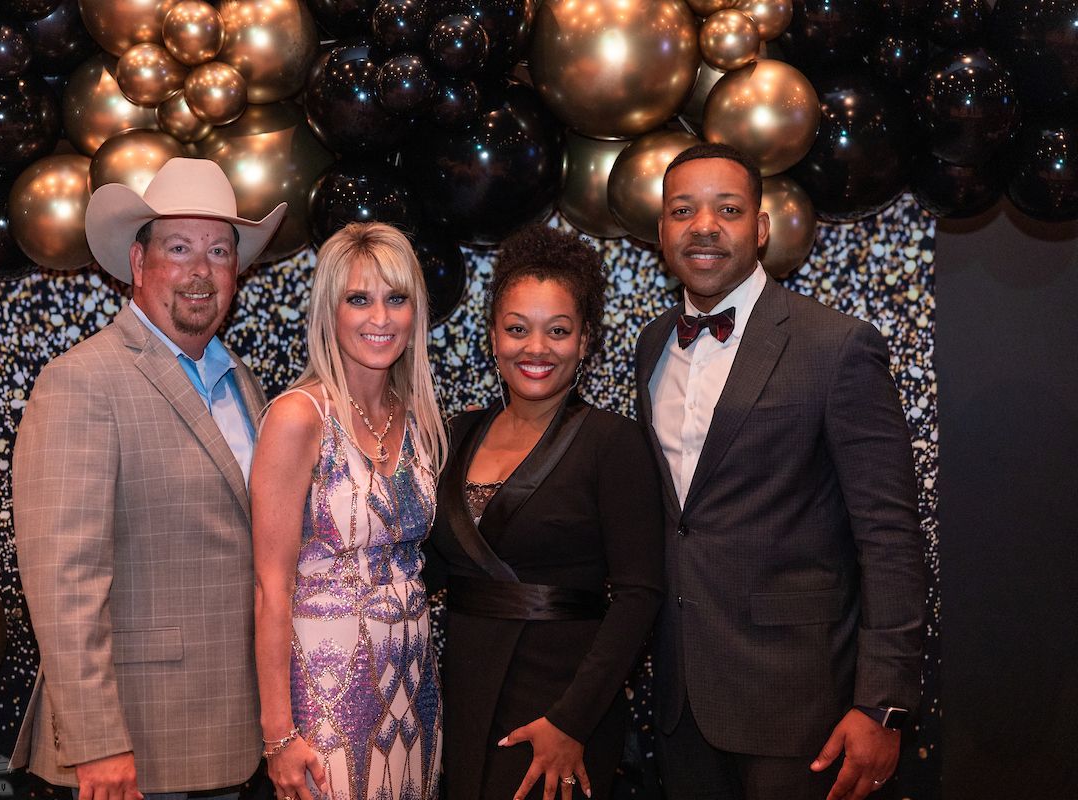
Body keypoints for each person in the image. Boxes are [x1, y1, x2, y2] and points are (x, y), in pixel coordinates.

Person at [635, 142, 925, 800]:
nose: (703, 225)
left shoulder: (837, 346)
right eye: (682, 209)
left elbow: (889, 534)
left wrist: (883, 704)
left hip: (801, 705)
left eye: (727, 209)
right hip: (681, 701)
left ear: (760, 229)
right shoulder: (652, 346)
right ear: (661, 232)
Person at [10, 158, 288, 800]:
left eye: (219, 250)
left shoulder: (241, 382)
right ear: (139, 264)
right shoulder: (82, 381)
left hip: (232, 737)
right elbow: (63, 579)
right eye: (179, 247)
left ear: (236, 272)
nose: (201, 270)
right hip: (132, 747)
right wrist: (98, 741)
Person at [428, 224, 665, 800]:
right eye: (517, 329)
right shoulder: (455, 434)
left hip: (561, 704)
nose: (536, 348)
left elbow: (641, 596)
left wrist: (572, 720)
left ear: (585, 341)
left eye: (558, 331)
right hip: (460, 696)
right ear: (493, 336)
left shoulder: (615, 443)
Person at [251, 222, 447, 800]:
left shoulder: (415, 416)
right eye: (358, 299)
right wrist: (278, 733)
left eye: (397, 298)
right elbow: (270, 587)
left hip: (413, 687)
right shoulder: (298, 417)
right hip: (325, 691)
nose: (380, 318)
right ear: (329, 312)